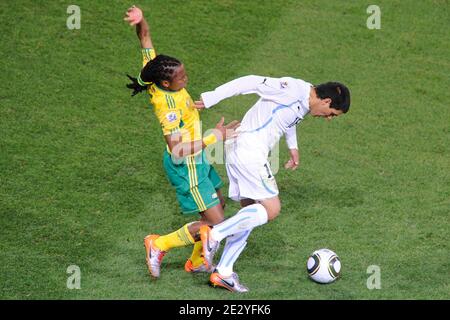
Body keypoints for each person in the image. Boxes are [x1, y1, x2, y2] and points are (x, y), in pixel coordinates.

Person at [195, 75, 350, 292]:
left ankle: (224, 272)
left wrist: (292, 147)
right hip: (250, 151)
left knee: (250, 213)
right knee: (272, 209)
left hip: (241, 148)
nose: (329, 118)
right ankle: (215, 234)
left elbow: (289, 118)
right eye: (332, 114)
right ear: (326, 102)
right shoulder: (291, 89)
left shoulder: (305, 98)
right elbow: (249, 82)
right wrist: (212, 97)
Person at [123, 6, 240, 278]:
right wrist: (216, 137)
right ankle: (158, 244)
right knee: (218, 225)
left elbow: (145, 39)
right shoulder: (168, 107)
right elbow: (176, 148)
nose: (186, 79)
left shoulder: (154, 72)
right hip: (185, 163)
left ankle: (197, 261)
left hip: (197, 159)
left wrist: (141, 21)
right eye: (182, 78)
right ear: (167, 82)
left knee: (219, 204)